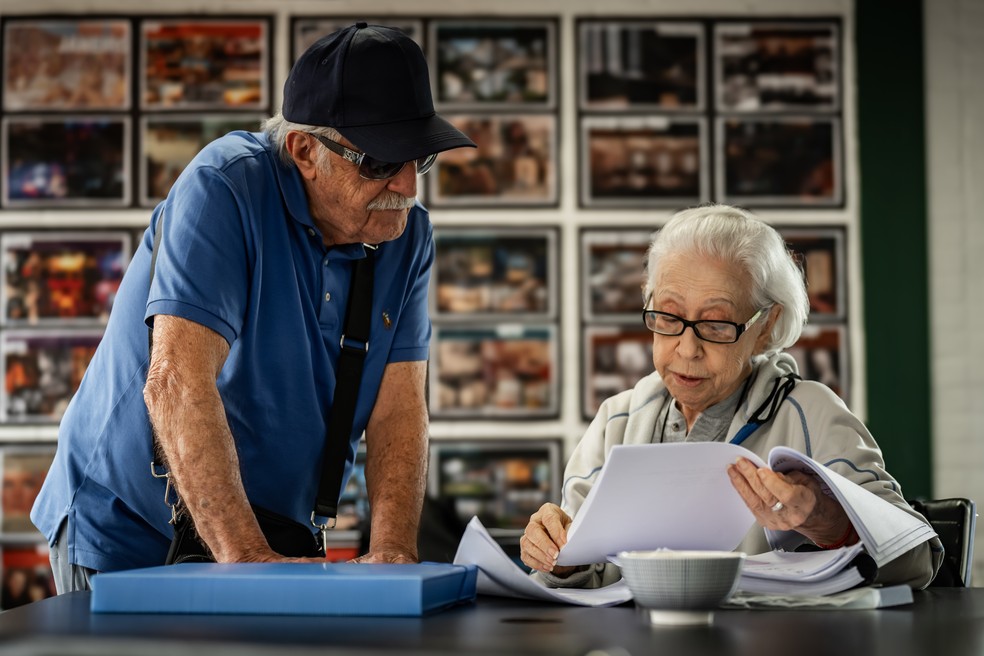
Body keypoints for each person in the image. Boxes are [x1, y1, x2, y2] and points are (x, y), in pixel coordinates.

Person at [31, 23, 475, 594]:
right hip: (130, 528)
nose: (408, 187)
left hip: (273, 532)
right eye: (379, 162)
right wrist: (248, 563)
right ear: (304, 150)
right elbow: (176, 381)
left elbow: (398, 407)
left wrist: (394, 559)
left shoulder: (405, 235)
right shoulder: (225, 187)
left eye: (420, 159)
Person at [520, 204, 943, 589]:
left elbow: (916, 560)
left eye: (717, 325)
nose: (687, 349)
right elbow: (577, 568)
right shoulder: (617, 420)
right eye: (668, 316)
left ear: (766, 326)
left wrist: (827, 521)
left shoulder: (811, 414)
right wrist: (557, 557)